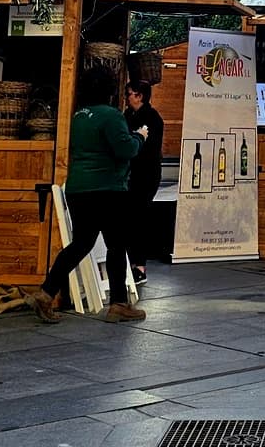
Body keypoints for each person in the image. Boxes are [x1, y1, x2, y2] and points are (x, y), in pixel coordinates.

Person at [29, 79, 146, 323]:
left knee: (81, 244)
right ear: (110, 93)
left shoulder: (79, 116)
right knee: (116, 245)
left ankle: (46, 293)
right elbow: (125, 150)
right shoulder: (111, 115)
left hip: (78, 188)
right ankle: (118, 304)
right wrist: (139, 137)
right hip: (107, 189)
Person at [122, 79, 164, 284]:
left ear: (139, 95)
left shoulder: (152, 118)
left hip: (145, 175)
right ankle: (130, 262)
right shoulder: (127, 115)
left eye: (128, 94)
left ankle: (140, 266)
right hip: (130, 174)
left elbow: (148, 150)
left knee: (139, 218)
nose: (126, 98)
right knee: (130, 218)